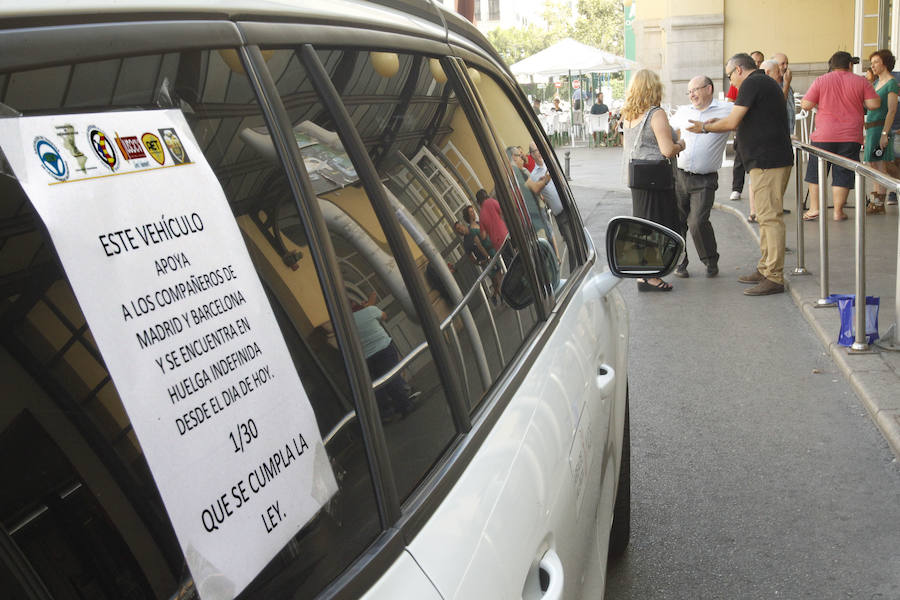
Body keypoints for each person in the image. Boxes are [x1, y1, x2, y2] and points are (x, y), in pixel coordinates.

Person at [687, 52, 793, 296]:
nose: (730, 82)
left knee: (769, 219)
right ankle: (766, 268)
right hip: (767, 160)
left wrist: (704, 127)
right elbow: (744, 118)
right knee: (767, 218)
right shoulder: (761, 82)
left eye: (729, 76)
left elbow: (733, 121)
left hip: (768, 161)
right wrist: (714, 122)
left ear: (739, 70)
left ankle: (774, 276)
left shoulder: (752, 83)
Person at [622, 68, 685, 292]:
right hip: (655, 179)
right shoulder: (656, 113)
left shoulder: (628, 115)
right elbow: (667, 150)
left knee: (643, 225)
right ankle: (652, 276)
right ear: (654, 88)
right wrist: (681, 145)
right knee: (658, 225)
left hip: (637, 177)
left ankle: (643, 275)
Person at [800, 50, 879, 221]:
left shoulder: (821, 80)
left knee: (816, 171)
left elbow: (806, 104)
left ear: (831, 65)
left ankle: (814, 209)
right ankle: (837, 211)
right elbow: (874, 104)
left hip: (823, 135)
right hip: (850, 135)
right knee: (843, 172)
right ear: (850, 65)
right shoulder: (861, 81)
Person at [669, 75, 732, 278]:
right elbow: (669, 132)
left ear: (709, 89)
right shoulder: (683, 111)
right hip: (679, 175)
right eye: (689, 91)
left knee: (697, 222)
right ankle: (680, 262)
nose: (692, 94)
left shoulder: (726, 109)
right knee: (678, 221)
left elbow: (743, 122)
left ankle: (710, 260)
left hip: (705, 179)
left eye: (696, 89)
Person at [351, 291, 419, 422]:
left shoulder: (346, 323)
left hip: (366, 356)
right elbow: (384, 316)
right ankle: (405, 405)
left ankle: (387, 413)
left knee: (378, 384)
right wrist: (369, 307)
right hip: (384, 348)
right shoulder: (370, 310)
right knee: (392, 377)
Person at [528, 141, 576, 269]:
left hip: (569, 207)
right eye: (536, 150)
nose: (539, 152)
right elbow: (535, 194)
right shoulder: (533, 176)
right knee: (571, 246)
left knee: (578, 241)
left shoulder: (551, 163)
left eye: (539, 149)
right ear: (532, 154)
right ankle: (574, 273)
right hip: (560, 214)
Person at [863, 49, 898, 215]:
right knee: (873, 164)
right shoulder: (876, 83)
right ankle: (875, 200)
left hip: (881, 128)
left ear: (884, 63)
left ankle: (879, 202)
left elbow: (891, 110)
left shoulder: (891, 83)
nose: (873, 66)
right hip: (871, 128)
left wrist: (885, 134)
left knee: (880, 164)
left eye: (876, 62)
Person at [506, 145, 553, 244]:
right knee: (545, 244)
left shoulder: (510, 175)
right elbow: (535, 189)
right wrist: (546, 179)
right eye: (520, 156)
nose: (522, 158)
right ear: (514, 157)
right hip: (533, 219)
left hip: (526, 222)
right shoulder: (518, 173)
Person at [475, 188, 509, 253]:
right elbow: (503, 212)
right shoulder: (492, 201)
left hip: (497, 244)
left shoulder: (481, 215)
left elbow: (483, 236)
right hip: (504, 235)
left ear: (478, 202)